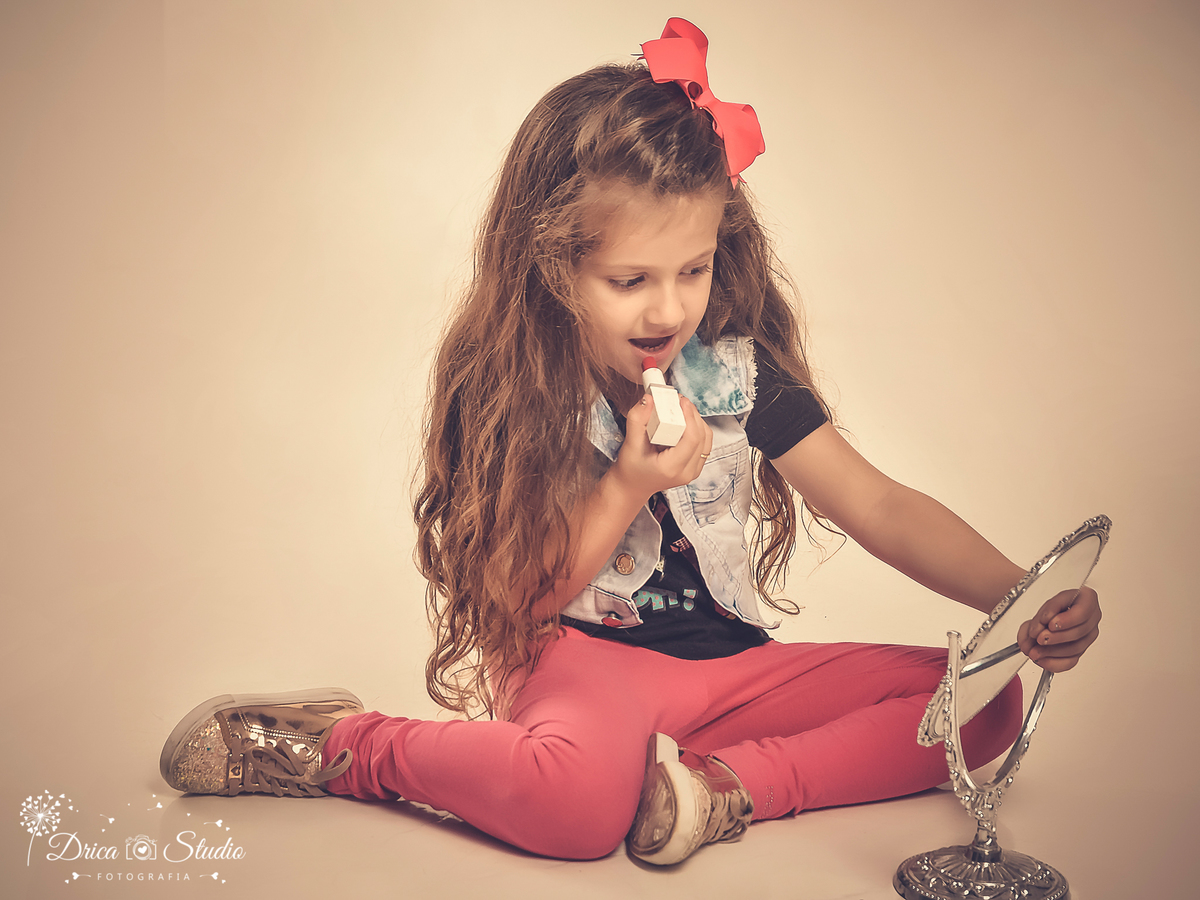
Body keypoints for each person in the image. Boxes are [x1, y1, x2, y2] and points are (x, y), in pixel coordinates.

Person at [159, 18, 1101, 866]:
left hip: (728, 672)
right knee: (574, 815)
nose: (668, 307)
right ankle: (345, 746)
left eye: (692, 270)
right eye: (630, 278)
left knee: (982, 705)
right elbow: (511, 594)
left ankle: (721, 788)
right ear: (554, 263)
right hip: (580, 660)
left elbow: (877, 503)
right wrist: (620, 488)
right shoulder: (521, 389)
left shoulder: (733, 375)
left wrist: (1024, 596)